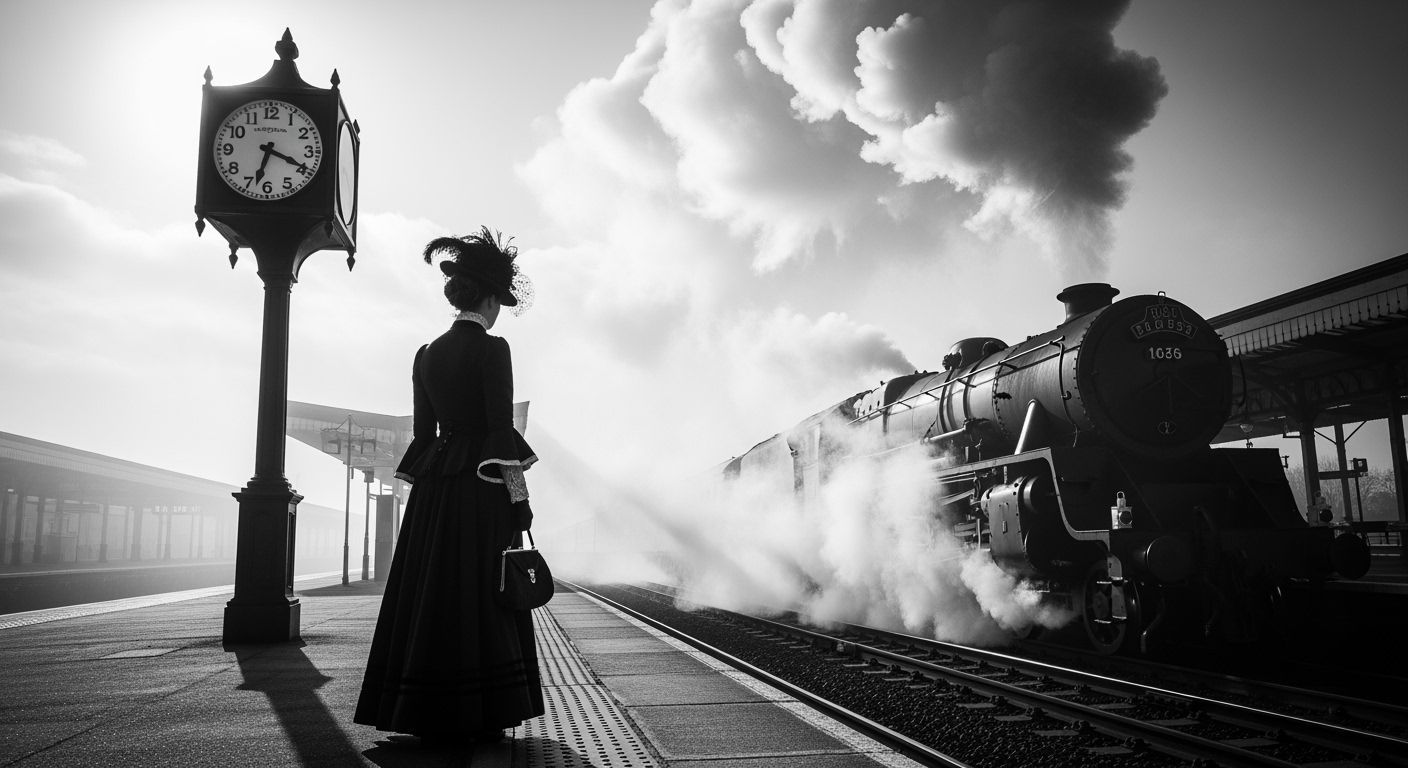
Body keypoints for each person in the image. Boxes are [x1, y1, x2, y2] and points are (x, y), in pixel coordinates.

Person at [354, 227, 543, 743]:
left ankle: (421, 703)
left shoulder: (424, 354)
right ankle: (482, 708)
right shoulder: (493, 349)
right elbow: (499, 431)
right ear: (487, 298)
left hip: (435, 491)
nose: (500, 309)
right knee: (483, 592)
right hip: (479, 492)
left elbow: (423, 435)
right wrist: (519, 501)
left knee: (428, 589)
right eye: (499, 300)